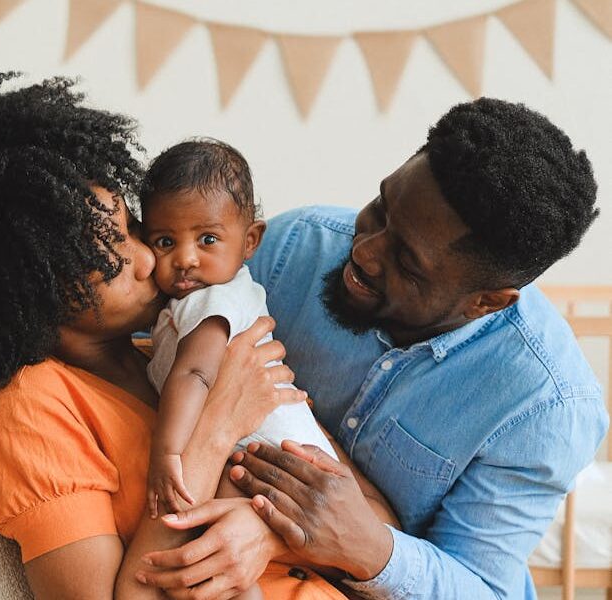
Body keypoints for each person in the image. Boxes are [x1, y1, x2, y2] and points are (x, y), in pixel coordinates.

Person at [0, 73, 392, 599]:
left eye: (134, 229)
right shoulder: (29, 409)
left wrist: (264, 533)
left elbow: (373, 521)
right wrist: (217, 423)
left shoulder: (170, 350)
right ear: (35, 293)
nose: (151, 260)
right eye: (114, 259)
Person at [133, 99, 609, 599]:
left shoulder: (546, 406)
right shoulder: (294, 248)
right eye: (381, 209)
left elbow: (482, 587)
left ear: (486, 301)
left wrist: (358, 548)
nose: (363, 251)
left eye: (405, 261)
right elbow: (157, 339)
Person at [141, 139, 338, 528]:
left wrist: (166, 454)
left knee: (212, 534)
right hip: (284, 463)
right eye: (165, 242)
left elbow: (195, 374)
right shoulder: (215, 295)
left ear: (250, 241)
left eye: (207, 239)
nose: (185, 259)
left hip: (273, 462)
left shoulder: (212, 300)